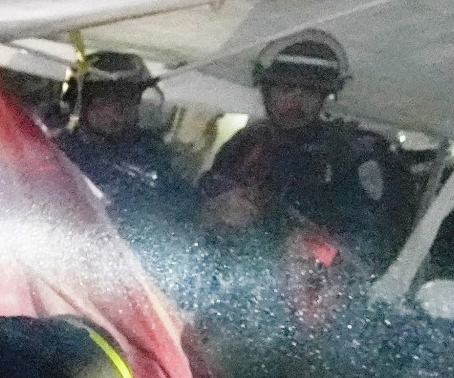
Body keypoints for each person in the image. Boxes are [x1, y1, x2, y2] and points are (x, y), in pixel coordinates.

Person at [200, 30, 405, 288]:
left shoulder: (349, 158)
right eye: (286, 90)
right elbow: (197, 204)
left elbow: (370, 252)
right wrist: (215, 209)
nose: (296, 102)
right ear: (267, 91)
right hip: (226, 288)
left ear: (324, 98)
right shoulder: (245, 144)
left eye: (309, 93)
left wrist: (310, 243)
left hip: (303, 302)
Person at [54, 51, 198, 262]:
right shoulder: (59, 150)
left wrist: (212, 207)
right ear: (82, 103)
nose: (122, 111)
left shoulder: (149, 151)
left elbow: (183, 202)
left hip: (140, 262)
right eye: (110, 100)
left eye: (130, 100)